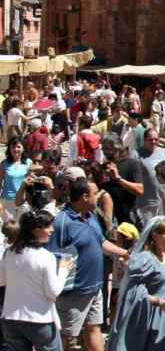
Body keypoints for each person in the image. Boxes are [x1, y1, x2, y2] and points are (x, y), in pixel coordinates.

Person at [49, 178, 130, 351]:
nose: (99, 197)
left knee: (94, 329)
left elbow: (101, 242)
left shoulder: (91, 216)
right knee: (68, 338)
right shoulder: (62, 222)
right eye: (95, 194)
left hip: (95, 288)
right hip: (74, 293)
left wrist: (124, 253)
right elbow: (52, 256)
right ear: (85, 197)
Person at [107, 216, 165, 351]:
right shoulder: (145, 260)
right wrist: (160, 302)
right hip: (146, 315)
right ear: (155, 235)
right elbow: (133, 293)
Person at [0, 210, 74, 351]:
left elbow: (2, 282)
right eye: (48, 226)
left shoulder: (9, 253)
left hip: (10, 318)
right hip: (39, 320)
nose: (52, 230)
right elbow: (52, 293)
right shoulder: (46, 257)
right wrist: (64, 271)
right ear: (36, 230)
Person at [1, 139, 30, 222]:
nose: (15, 149)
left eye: (18, 147)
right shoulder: (4, 164)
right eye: (13, 147)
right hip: (7, 200)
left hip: (22, 201)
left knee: (21, 228)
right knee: (9, 229)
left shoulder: (28, 163)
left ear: (23, 148)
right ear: (9, 149)